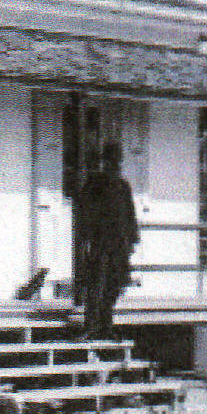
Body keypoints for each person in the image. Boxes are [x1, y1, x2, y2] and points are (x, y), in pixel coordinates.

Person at [74, 141, 139, 337]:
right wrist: (85, 237)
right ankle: (91, 325)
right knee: (96, 283)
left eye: (117, 160)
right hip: (100, 241)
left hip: (119, 243)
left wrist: (132, 239)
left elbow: (130, 214)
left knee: (114, 283)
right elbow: (84, 211)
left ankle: (106, 324)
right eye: (111, 160)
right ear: (105, 161)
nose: (115, 164)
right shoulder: (95, 183)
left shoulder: (123, 185)